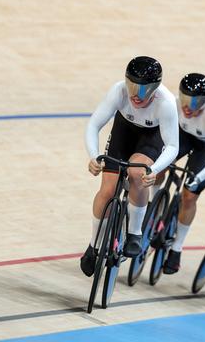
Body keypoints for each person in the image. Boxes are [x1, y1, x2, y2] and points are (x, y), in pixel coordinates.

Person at [80, 56, 179, 277]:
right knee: (106, 190)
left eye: (144, 90)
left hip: (150, 138)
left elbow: (172, 145)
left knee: (137, 173)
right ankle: (93, 245)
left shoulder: (166, 102)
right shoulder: (118, 91)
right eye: (132, 86)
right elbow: (94, 124)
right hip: (123, 131)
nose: (136, 94)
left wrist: (153, 170)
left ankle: (135, 233)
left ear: (156, 88)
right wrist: (94, 156)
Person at [156, 73, 205, 274]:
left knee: (189, 196)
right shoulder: (174, 103)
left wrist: (198, 177)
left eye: (195, 102)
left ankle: (177, 249)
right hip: (183, 136)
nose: (188, 106)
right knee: (159, 166)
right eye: (186, 99)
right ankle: (151, 213)